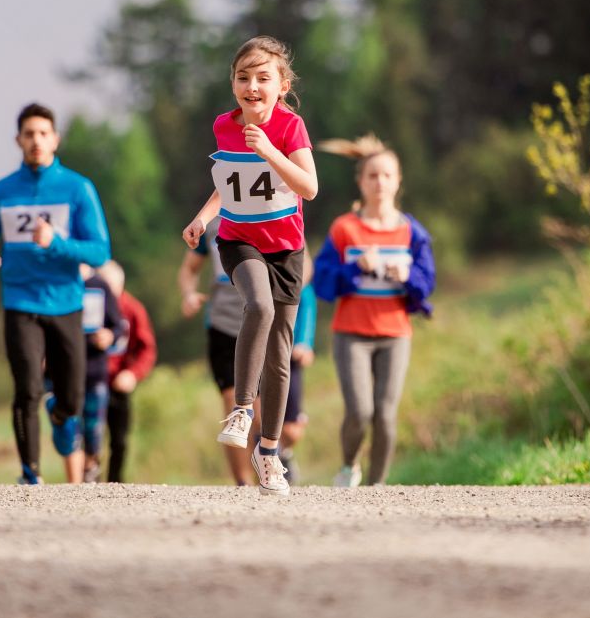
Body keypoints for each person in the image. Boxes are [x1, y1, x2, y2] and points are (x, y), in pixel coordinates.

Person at [182, 36, 318, 497]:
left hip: (286, 249)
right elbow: (229, 186)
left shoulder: (290, 127)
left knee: (281, 353)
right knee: (257, 306)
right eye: (243, 77)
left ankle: (269, 452)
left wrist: (270, 151)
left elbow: (309, 187)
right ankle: (242, 410)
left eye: (263, 77)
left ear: (282, 85)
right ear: (233, 84)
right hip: (239, 241)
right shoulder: (225, 127)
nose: (252, 85)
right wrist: (203, 218)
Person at [0, 103, 111, 485]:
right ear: (18, 140)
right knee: (27, 388)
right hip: (19, 300)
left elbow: (100, 251)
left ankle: (63, 418)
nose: (36, 141)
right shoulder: (1, 192)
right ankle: (30, 473)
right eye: (29, 134)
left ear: (55, 139)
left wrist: (58, 242)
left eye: (43, 133)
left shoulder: (78, 188)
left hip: (66, 300)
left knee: (71, 398)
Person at [313, 134, 435, 487]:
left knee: (384, 415)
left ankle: (376, 488)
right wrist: (353, 270)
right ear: (361, 182)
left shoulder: (412, 232)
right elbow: (322, 283)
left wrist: (408, 275)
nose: (379, 182)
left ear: (398, 182)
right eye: (372, 176)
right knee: (360, 411)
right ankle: (349, 466)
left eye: (387, 175)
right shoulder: (344, 229)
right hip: (351, 334)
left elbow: (427, 282)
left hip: (396, 334)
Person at [177, 216, 255, 485]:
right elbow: (189, 269)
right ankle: (242, 483)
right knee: (233, 404)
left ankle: (265, 472)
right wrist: (188, 294)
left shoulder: (269, 208)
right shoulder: (212, 225)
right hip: (222, 321)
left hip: (261, 319)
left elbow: (305, 266)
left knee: (259, 407)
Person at [98, 260, 157, 483]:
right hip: (91, 381)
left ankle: (114, 483)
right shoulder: (87, 306)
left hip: (118, 384)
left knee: (119, 440)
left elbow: (147, 349)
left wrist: (133, 374)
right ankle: (85, 482)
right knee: (88, 437)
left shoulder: (132, 309)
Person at [76, 265, 123, 483]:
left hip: (95, 369)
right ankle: (76, 475)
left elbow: (117, 326)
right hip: (66, 369)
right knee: (72, 427)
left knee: (94, 428)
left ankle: (90, 469)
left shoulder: (99, 285)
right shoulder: (59, 283)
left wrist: (109, 336)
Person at [279, 254, 317, 484]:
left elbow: (308, 316)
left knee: (292, 429)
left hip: (291, 358)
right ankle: (266, 458)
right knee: (260, 416)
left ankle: (285, 453)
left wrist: (304, 343)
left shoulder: (305, 292)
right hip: (264, 357)